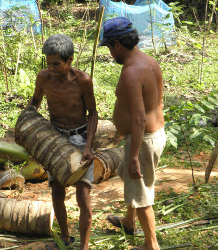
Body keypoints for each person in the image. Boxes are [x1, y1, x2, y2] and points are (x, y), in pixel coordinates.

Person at [99, 17, 167, 250]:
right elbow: (158, 100)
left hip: (144, 140)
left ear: (117, 44)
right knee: (127, 176)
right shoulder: (148, 61)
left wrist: (135, 156)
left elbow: (139, 118)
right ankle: (129, 222)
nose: (110, 53)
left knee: (141, 195)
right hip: (151, 136)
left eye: (109, 47)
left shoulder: (131, 72)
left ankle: (151, 245)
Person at [28, 34, 98, 250]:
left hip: (79, 136)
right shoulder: (43, 78)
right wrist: (28, 128)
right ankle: (66, 239)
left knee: (82, 192)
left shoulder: (83, 81)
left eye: (56, 64)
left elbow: (93, 113)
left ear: (70, 61)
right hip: (55, 137)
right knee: (57, 189)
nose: (52, 68)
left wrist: (88, 146)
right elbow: (35, 102)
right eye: (48, 63)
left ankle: (84, 247)